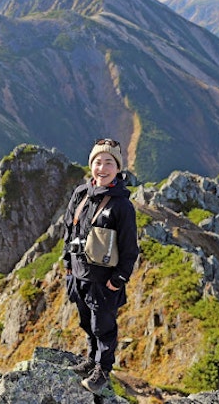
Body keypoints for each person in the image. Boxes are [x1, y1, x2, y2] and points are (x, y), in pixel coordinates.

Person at [62, 138, 139, 394]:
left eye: (109, 163)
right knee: (86, 322)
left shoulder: (122, 206)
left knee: (103, 326)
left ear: (118, 169)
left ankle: (102, 370)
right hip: (79, 275)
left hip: (103, 281)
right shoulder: (80, 194)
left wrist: (118, 280)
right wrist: (68, 265)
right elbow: (69, 229)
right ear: (91, 165)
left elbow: (130, 249)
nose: (102, 168)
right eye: (97, 162)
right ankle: (91, 358)